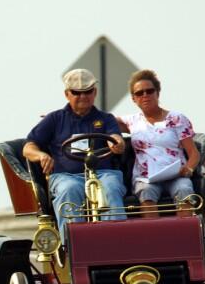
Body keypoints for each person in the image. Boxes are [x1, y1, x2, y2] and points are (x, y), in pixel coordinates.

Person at [23, 68, 127, 241]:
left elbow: (116, 138)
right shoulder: (54, 119)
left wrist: (117, 143)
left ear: (95, 93)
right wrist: (41, 155)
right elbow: (28, 147)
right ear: (67, 94)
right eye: (76, 93)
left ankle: (116, 242)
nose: (83, 97)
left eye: (87, 92)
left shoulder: (106, 118)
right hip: (66, 176)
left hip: (103, 174)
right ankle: (73, 247)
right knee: (68, 190)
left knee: (111, 187)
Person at [117, 69, 200, 218]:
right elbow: (104, 121)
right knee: (146, 191)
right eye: (139, 93)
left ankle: (185, 236)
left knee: (184, 189)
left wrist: (188, 169)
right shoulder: (132, 121)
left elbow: (194, 153)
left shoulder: (176, 118)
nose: (145, 96)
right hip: (146, 177)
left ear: (158, 93)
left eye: (149, 91)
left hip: (176, 175)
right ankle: (153, 238)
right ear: (133, 98)